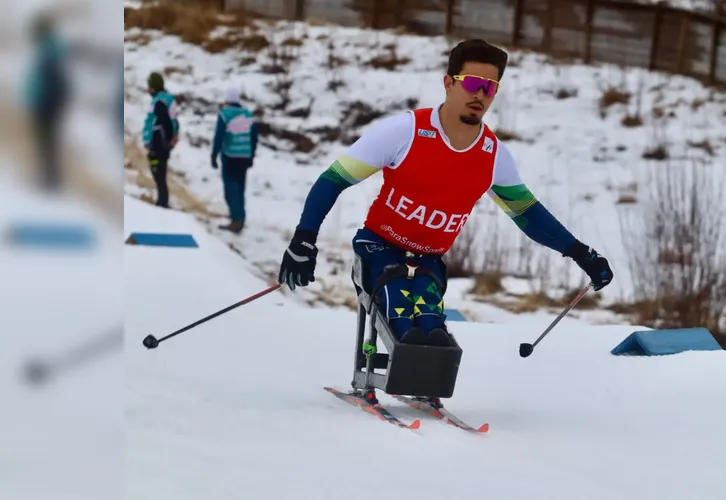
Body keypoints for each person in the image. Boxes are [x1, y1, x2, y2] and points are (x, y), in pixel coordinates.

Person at [277, 38, 613, 347]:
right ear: (449, 82)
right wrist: (304, 239)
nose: (480, 94)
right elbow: (334, 178)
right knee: (400, 320)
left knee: (432, 328)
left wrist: (581, 253)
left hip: (428, 260)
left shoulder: (493, 156)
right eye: (471, 83)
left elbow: (527, 214)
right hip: (379, 247)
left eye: (490, 87)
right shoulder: (403, 131)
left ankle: (428, 380)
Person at [21, 13, 70, 193]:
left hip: (45, 105)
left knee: (47, 142)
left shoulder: (49, 53)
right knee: (47, 142)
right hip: (46, 104)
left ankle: (50, 180)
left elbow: (48, 82)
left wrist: (42, 102)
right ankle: (49, 177)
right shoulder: (49, 51)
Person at [211, 85, 258, 234]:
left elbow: (219, 136)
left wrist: (214, 154)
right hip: (244, 156)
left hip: (230, 155)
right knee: (240, 187)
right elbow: (254, 138)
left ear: (227, 100)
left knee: (230, 188)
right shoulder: (248, 115)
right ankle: (240, 217)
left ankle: (236, 220)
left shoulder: (225, 114)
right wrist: (251, 155)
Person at [142, 71, 179, 208]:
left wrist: (166, 139)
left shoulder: (159, 102)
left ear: (153, 87)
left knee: (157, 170)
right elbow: (174, 120)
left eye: (149, 86)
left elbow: (164, 121)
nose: (148, 89)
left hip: (158, 142)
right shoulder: (167, 99)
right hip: (162, 142)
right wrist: (173, 136)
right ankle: (162, 200)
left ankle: (162, 203)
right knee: (159, 170)